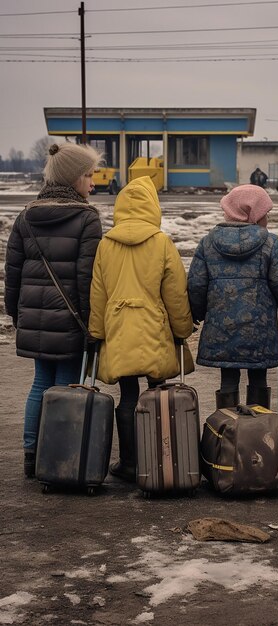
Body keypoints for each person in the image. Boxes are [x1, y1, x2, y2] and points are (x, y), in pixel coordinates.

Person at [4, 142, 103, 478]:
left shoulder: (25, 217)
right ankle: (57, 455)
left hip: (33, 317)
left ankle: (32, 455)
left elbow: (12, 273)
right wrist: (93, 323)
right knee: (65, 387)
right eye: (89, 175)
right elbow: (87, 278)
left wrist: (16, 315)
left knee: (40, 384)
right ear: (73, 177)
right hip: (72, 319)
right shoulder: (87, 219)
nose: (93, 183)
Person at [88, 175, 194, 482]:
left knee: (128, 395)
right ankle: (160, 460)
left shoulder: (106, 244)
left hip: (119, 329)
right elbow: (175, 293)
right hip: (154, 330)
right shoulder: (161, 243)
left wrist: (96, 333)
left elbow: (98, 293)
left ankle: (130, 462)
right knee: (159, 394)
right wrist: (182, 329)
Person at [187, 184, 278, 410]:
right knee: (258, 378)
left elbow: (196, 284)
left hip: (221, 327)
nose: (267, 218)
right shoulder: (270, 243)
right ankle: (259, 433)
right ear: (251, 213)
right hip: (260, 330)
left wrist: (199, 314)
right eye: (265, 213)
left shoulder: (208, 243)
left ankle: (226, 431)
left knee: (228, 378)